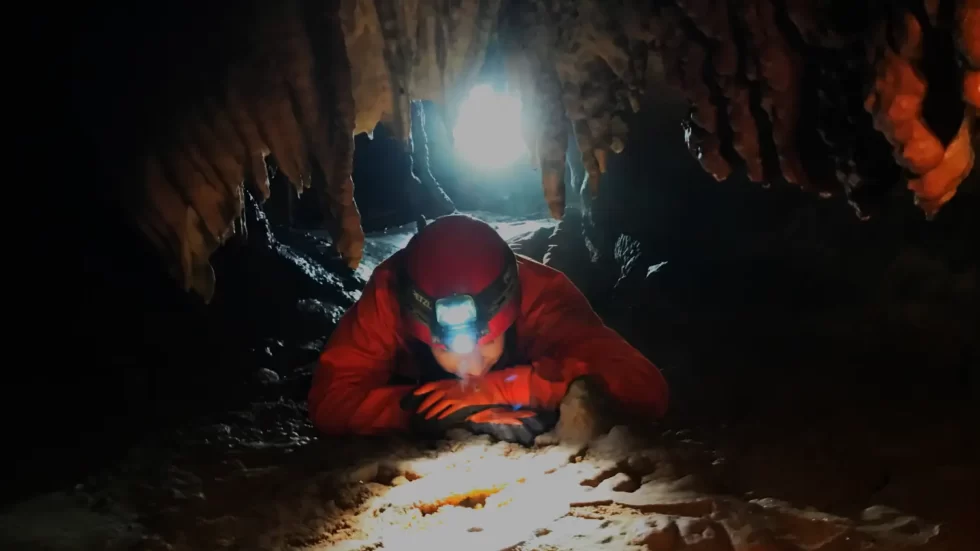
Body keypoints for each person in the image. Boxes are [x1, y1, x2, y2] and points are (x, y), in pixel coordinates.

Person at [308, 214, 668, 444]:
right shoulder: (390, 295)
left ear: (508, 316)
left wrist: (494, 390)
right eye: (449, 349)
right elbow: (330, 402)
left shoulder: (544, 296)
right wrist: (426, 412)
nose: (473, 367)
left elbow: (644, 388)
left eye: (488, 341)